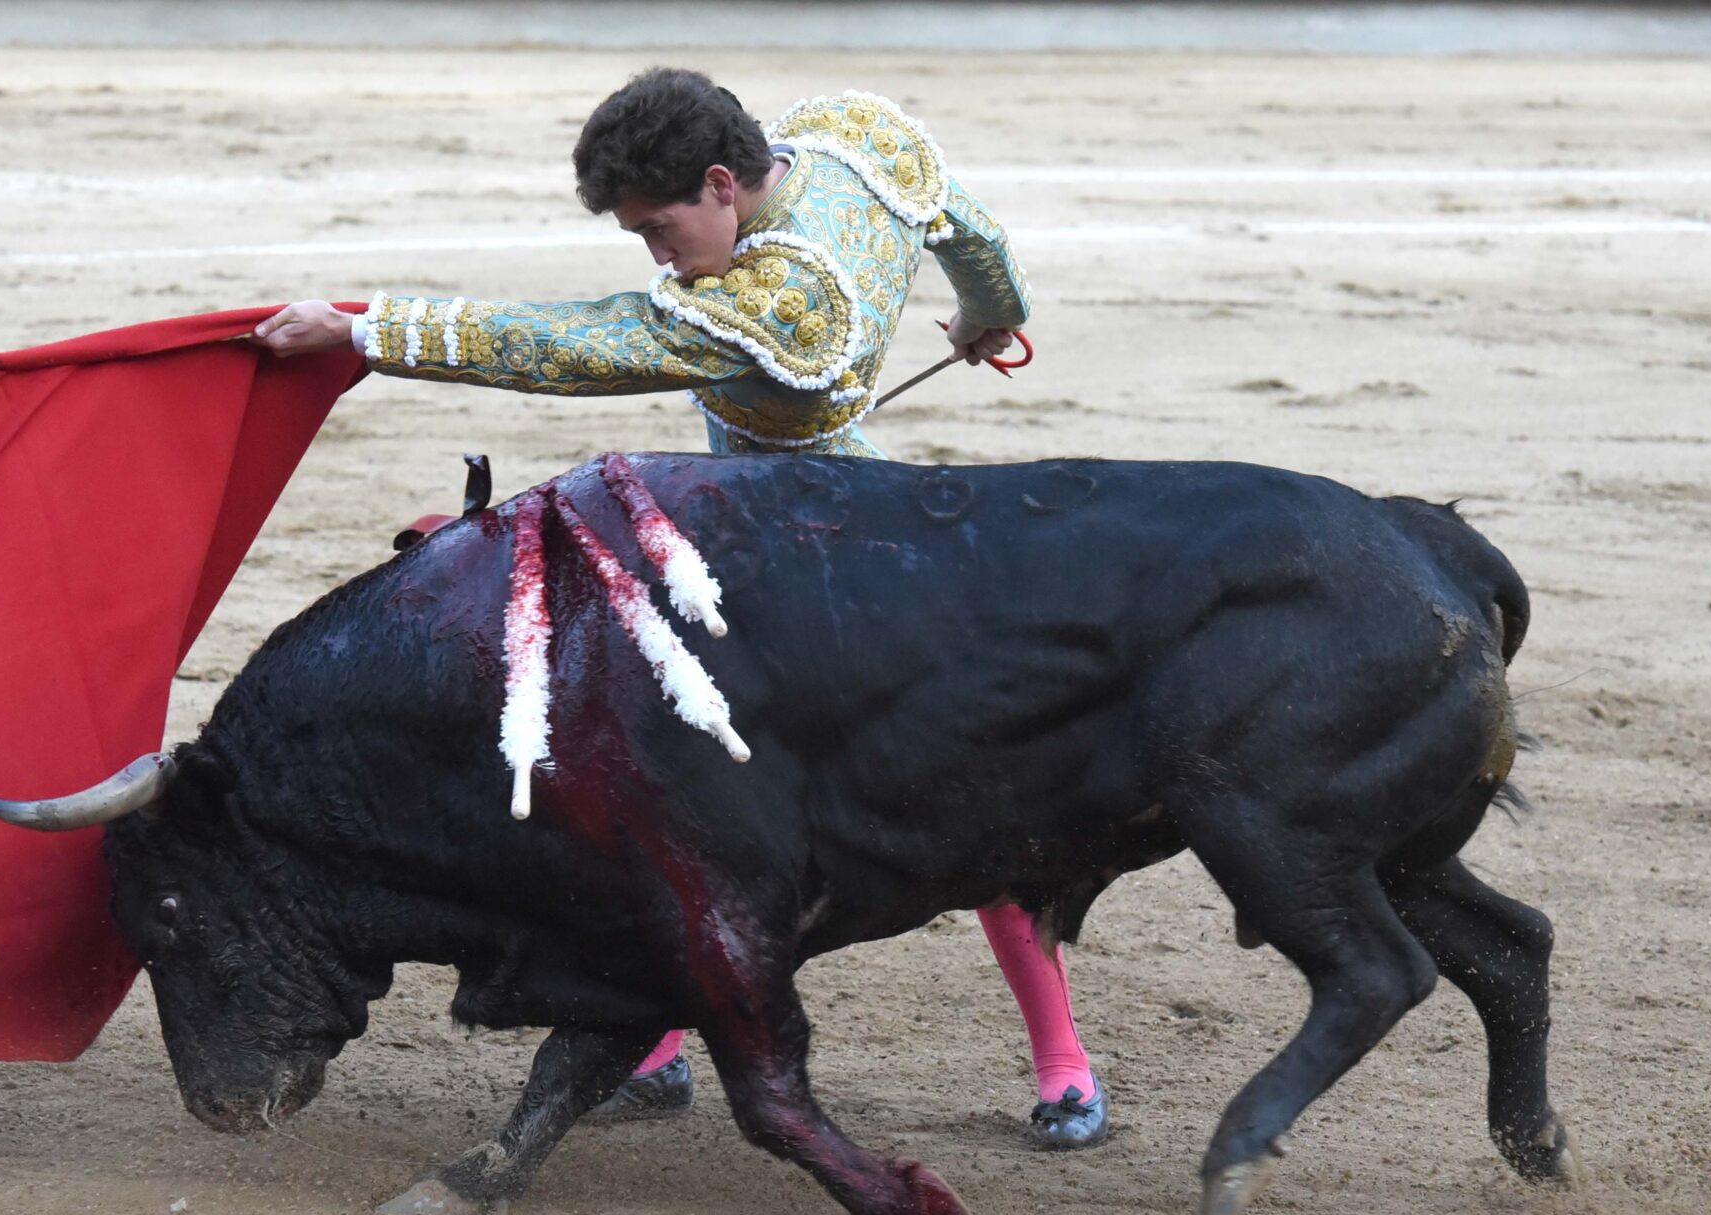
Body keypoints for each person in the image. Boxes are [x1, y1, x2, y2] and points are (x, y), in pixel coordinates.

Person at [252, 67, 1104, 1147]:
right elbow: (968, 233)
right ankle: (655, 1047)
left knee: (958, 793)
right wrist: (992, 317)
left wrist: (372, 329)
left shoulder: (783, 303)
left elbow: (577, 346)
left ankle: (1063, 1059)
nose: (655, 256)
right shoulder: (848, 137)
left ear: (720, 182)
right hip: (765, 517)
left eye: (660, 229)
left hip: (814, 540)